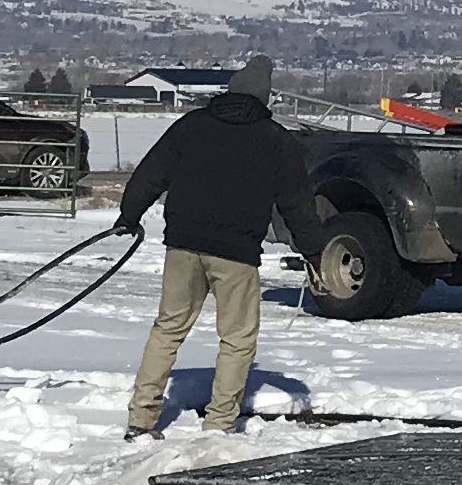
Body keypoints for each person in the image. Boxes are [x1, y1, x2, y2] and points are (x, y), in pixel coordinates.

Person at [117, 56, 319, 438]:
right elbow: (297, 204)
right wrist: (314, 251)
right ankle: (219, 423)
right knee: (237, 340)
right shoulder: (276, 139)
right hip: (236, 253)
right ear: (265, 97)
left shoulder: (192, 125)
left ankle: (140, 419)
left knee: (168, 329)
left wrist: (129, 215)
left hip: (183, 245)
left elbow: (150, 173)